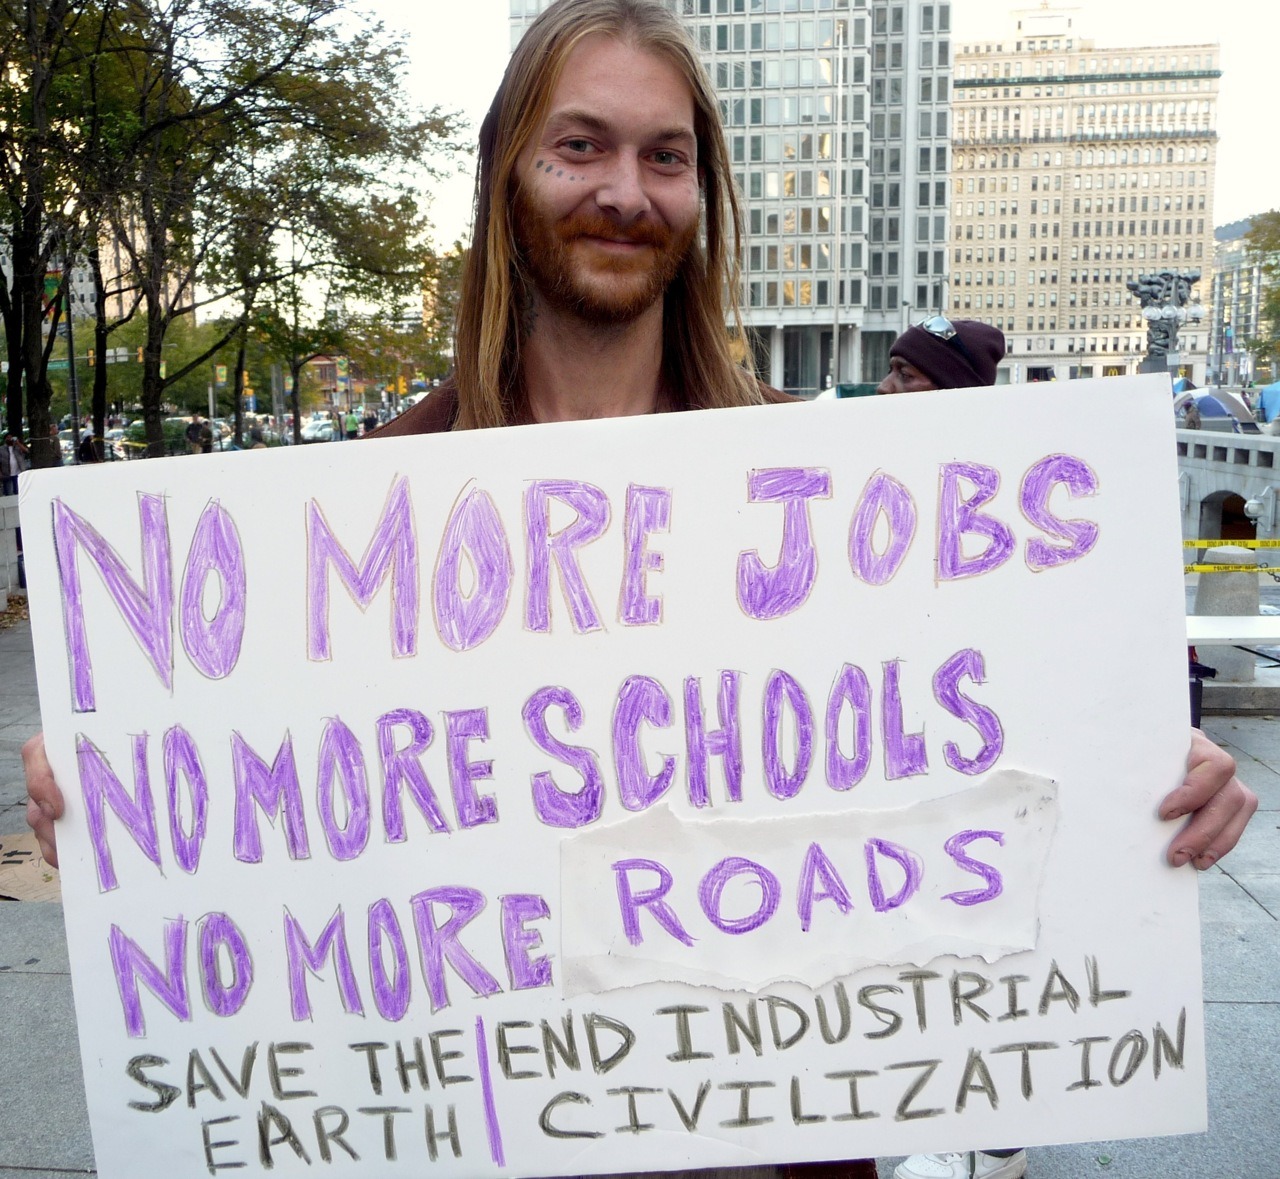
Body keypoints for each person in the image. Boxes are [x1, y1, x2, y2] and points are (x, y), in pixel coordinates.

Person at [21, 3, 1259, 1177]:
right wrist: (120, 781)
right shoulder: (352, 512)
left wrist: (1137, 769)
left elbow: (997, 724)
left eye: (664, 156)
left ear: (700, 193)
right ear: (505, 173)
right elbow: (262, 806)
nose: (624, 191)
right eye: (579, 146)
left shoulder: (839, 500)